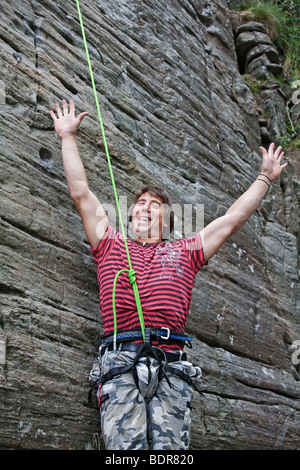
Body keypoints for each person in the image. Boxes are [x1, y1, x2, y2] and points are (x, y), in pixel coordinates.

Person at [50, 99, 288, 450]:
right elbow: (80, 192)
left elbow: (232, 220)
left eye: (155, 205)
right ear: (131, 216)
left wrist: (266, 176)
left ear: (168, 220)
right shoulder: (110, 244)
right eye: (140, 204)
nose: (145, 207)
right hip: (121, 362)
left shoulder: (185, 252)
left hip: (171, 365)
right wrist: (67, 136)